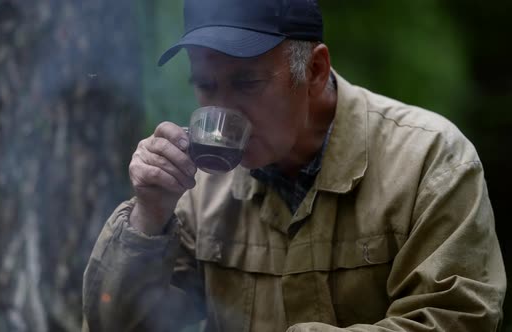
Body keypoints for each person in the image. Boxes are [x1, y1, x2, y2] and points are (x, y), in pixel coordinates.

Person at [81, 0, 506, 331]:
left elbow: (458, 321)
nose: (223, 109)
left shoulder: (429, 160)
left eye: (247, 82)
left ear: (316, 70)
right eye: (206, 85)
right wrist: (148, 217)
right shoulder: (199, 190)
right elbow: (113, 323)